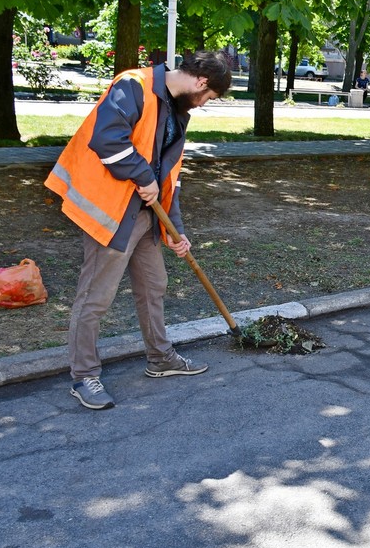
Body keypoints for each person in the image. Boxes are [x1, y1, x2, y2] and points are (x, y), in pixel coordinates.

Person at [44, 51, 232, 410]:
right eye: (210, 97)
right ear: (201, 82)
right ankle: (84, 376)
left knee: (153, 285)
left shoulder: (177, 111)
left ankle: (160, 358)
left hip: (145, 216)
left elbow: (168, 177)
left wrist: (175, 230)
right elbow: (107, 139)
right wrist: (142, 176)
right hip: (113, 214)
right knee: (95, 297)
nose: (205, 103)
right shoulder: (133, 84)